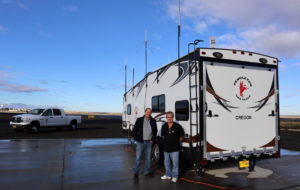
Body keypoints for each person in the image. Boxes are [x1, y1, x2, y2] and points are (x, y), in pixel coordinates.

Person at [132, 108, 158, 179]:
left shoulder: (153, 120)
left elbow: (155, 131)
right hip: (141, 142)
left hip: (149, 142)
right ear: (145, 112)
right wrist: (137, 139)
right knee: (138, 158)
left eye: (150, 112)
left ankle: (147, 172)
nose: (148, 113)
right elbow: (134, 131)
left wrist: (153, 139)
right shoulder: (139, 120)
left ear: (151, 113)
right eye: (147, 112)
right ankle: (136, 173)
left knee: (148, 158)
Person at [160, 111, 184, 183]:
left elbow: (181, 137)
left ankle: (174, 176)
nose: (169, 118)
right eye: (168, 117)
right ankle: (168, 174)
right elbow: (163, 136)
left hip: (175, 149)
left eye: (171, 117)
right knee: (166, 163)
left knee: (175, 164)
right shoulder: (164, 126)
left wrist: (175, 142)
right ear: (166, 118)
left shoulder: (177, 126)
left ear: (173, 117)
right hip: (166, 148)